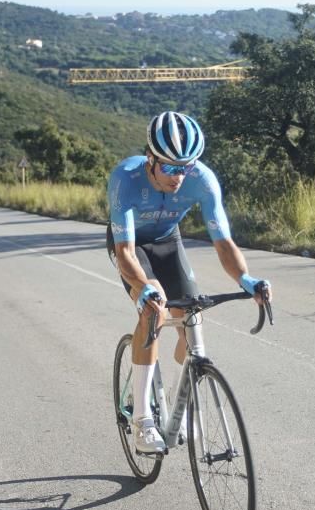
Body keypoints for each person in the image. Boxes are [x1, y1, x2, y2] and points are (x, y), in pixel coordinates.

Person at [107, 111, 272, 454]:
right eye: (169, 167)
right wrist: (145, 289)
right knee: (154, 311)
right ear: (150, 159)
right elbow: (124, 253)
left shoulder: (203, 179)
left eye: (185, 167)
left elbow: (224, 242)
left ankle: (180, 405)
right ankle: (142, 421)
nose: (178, 176)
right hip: (132, 245)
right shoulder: (125, 177)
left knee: (191, 317)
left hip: (169, 240)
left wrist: (246, 279)